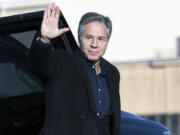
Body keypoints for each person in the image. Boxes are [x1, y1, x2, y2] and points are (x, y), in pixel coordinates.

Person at [29, 2, 121, 135]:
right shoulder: (61, 61)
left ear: (107, 42)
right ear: (79, 38)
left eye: (101, 39)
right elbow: (38, 64)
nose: (94, 44)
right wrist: (45, 39)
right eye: (89, 37)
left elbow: (114, 122)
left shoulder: (112, 72)